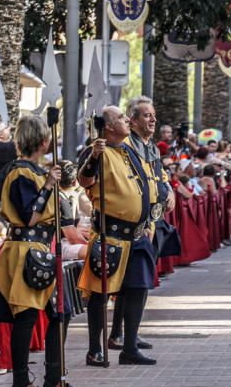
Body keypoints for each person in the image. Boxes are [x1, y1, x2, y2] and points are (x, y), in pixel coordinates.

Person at [0, 115, 67, 387]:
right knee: (27, 316)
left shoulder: (33, 171)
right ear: (44, 141)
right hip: (26, 251)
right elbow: (29, 218)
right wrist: (47, 186)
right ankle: (21, 381)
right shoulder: (20, 173)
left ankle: (54, 377)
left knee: (60, 313)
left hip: (41, 249)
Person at [78, 105, 158, 366]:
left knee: (137, 289)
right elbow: (85, 180)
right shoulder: (97, 153)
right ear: (109, 126)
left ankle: (130, 347)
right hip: (110, 236)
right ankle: (94, 349)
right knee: (100, 294)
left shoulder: (129, 151)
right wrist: (93, 158)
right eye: (122, 118)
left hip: (136, 235)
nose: (127, 121)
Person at [107, 96, 173, 354]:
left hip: (153, 221)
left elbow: (161, 175)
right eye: (146, 115)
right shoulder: (127, 147)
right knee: (130, 283)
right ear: (132, 120)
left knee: (140, 282)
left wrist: (169, 191)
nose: (153, 120)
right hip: (133, 225)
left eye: (153, 115)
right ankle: (118, 334)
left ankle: (130, 333)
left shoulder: (151, 147)